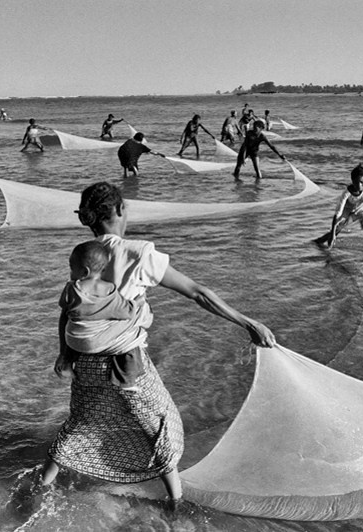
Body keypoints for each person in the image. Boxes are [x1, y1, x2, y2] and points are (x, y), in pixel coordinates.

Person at [38, 181, 276, 510]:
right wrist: (248, 323)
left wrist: (65, 356)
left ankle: (41, 486)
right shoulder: (139, 254)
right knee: (159, 424)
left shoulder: (84, 259)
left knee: (81, 422)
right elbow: (198, 293)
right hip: (127, 364)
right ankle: (175, 503)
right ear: (120, 211)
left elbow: (68, 313)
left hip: (87, 364)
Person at [58, 240, 144, 387]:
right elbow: (125, 312)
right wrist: (138, 301)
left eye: (72, 269)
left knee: (75, 326)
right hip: (99, 344)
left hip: (75, 342)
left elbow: (65, 313)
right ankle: (127, 380)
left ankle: (67, 365)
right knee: (131, 339)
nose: (70, 273)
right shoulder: (110, 289)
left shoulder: (71, 289)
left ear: (84, 272)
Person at [314, 164, 363, 253]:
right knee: (337, 229)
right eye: (356, 182)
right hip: (349, 210)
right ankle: (319, 242)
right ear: (352, 181)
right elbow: (337, 214)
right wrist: (333, 234)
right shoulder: (346, 193)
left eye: (362, 182)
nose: (359, 185)